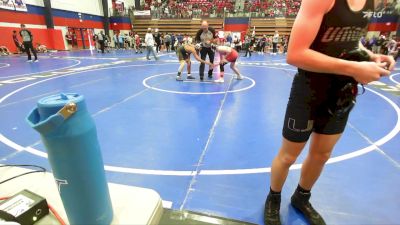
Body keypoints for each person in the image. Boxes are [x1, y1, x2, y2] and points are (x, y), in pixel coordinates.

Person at [264, 0, 395, 225]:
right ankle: (273, 197)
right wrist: (355, 68)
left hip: (342, 91)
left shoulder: (371, 2)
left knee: (322, 154)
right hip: (310, 90)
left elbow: (348, 39)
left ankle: (301, 197)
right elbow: (295, 54)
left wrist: (368, 56)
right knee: (288, 155)